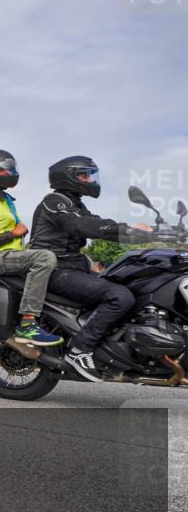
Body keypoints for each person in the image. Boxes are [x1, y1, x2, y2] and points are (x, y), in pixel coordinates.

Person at [28, 156, 152, 382]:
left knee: (131, 284)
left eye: (90, 175)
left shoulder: (76, 204)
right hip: (55, 270)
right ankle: (79, 350)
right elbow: (81, 225)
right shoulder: (54, 201)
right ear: (69, 177)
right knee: (120, 296)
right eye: (84, 175)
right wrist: (129, 229)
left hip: (74, 268)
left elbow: (100, 225)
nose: (90, 180)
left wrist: (140, 231)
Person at [0, 150, 62, 346]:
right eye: (4, 170)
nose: (10, 173)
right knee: (44, 258)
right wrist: (13, 233)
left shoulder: (4, 199)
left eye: (11, 169)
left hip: (10, 256)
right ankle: (27, 323)